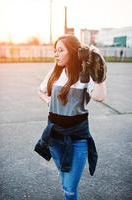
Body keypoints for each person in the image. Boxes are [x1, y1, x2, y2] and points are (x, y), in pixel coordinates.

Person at [35, 34, 107, 200]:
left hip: (76, 139)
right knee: (65, 178)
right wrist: (50, 102)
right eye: (55, 50)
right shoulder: (55, 72)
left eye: (60, 50)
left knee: (68, 188)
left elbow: (99, 96)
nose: (56, 54)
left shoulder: (85, 75)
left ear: (73, 52)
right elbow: (40, 91)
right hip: (54, 137)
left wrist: (99, 76)